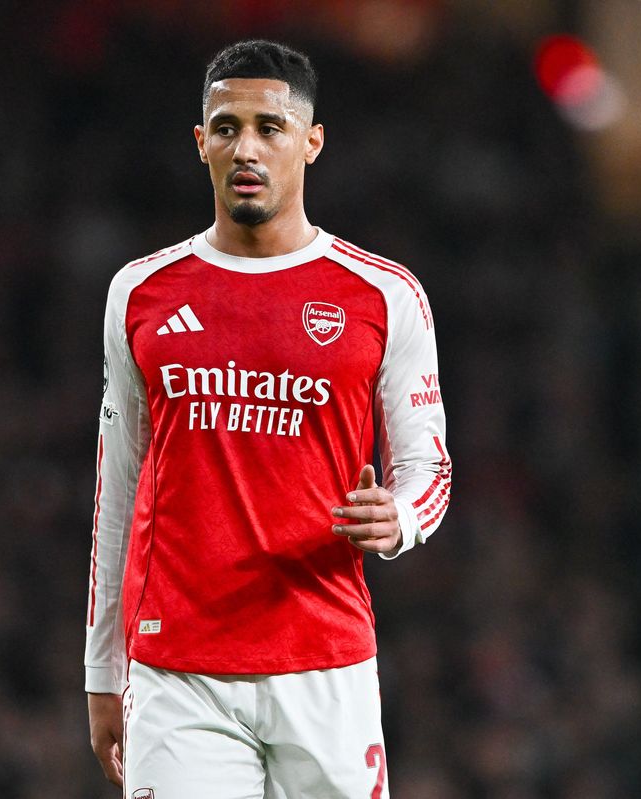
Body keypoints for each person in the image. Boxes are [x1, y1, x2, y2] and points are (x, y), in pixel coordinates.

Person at [85, 39, 450, 798]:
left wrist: (401, 516)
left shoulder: (384, 295)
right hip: (178, 666)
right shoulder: (141, 292)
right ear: (200, 143)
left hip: (325, 660)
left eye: (270, 127)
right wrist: (101, 668)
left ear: (311, 142)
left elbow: (430, 468)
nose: (245, 147)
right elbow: (117, 487)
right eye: (225, 127)